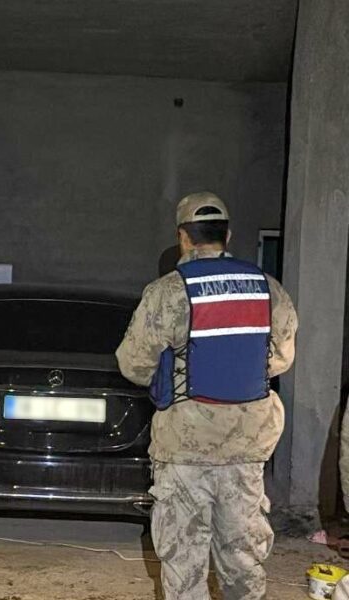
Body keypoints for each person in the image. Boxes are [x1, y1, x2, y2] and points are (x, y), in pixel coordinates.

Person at [116, 192, 298, 600]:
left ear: (183, 237)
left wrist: (178, 371)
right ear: (227, 236)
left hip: (185, 449)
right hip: (246, 449)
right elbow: (281, 359)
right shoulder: (268, 289)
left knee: (184, 566)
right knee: (243, 561)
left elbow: (133, 364)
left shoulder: (168, 292)